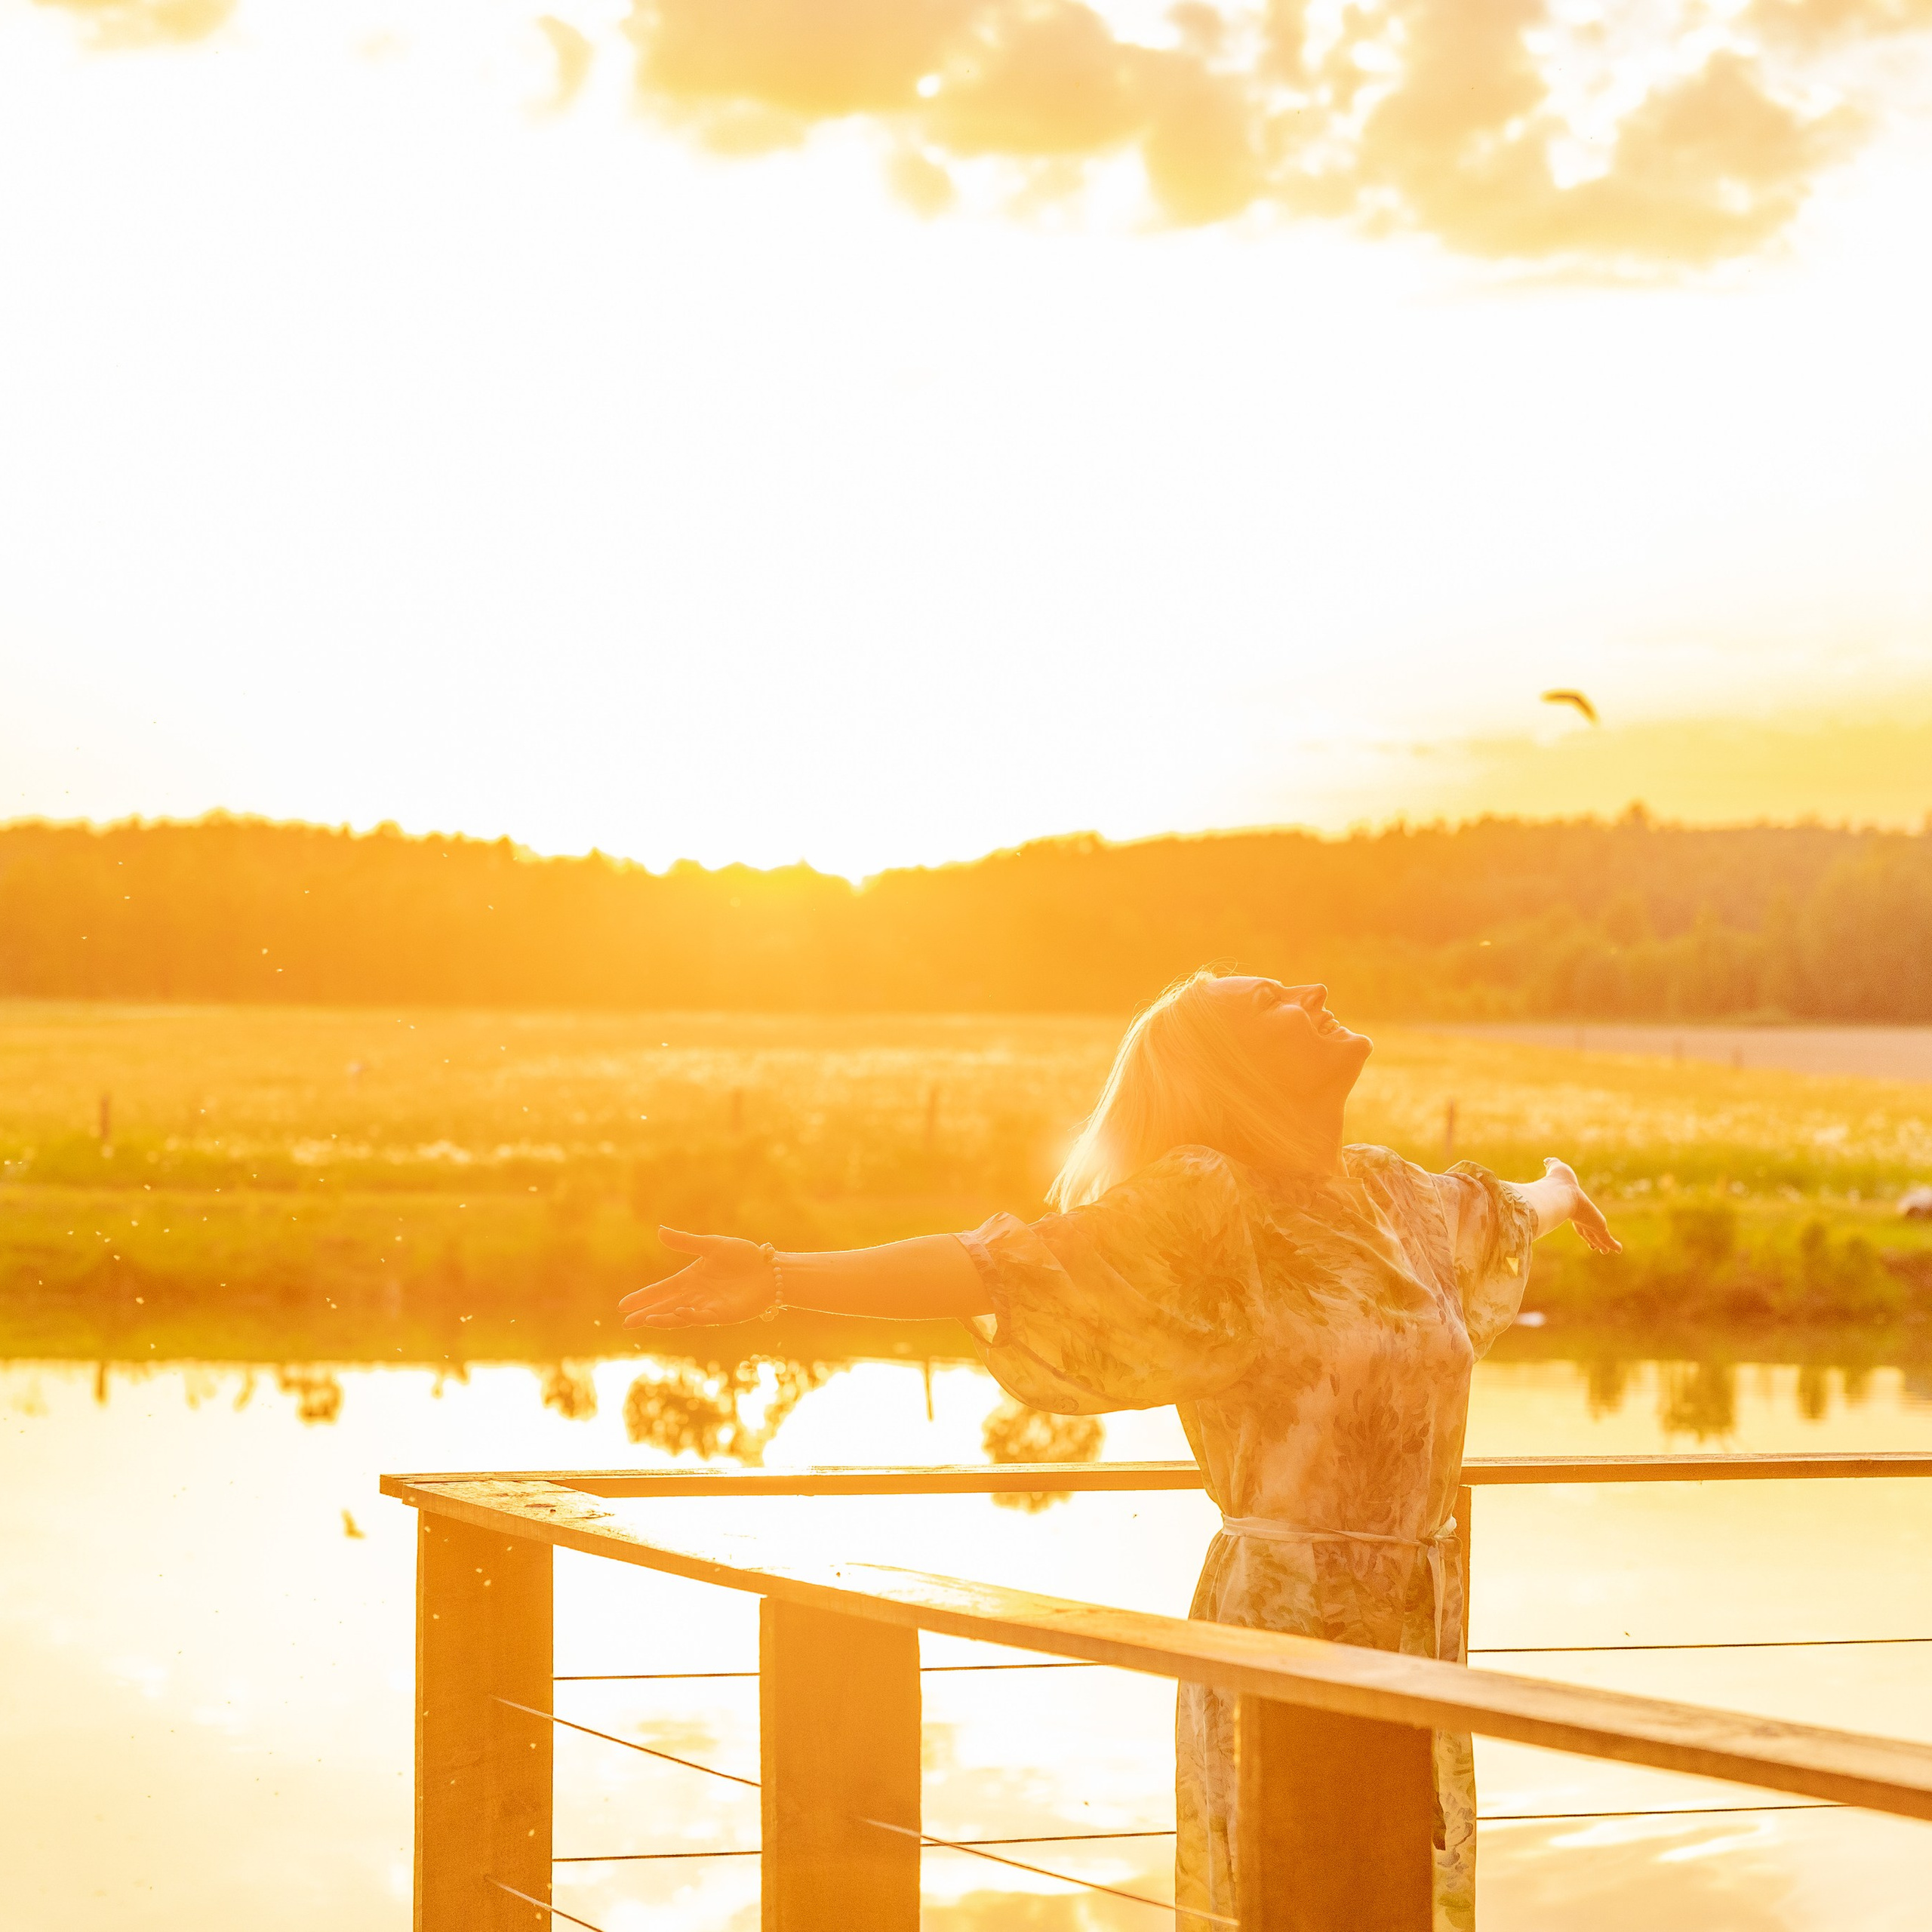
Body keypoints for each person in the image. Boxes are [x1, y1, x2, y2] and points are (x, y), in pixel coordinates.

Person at [618, 971, 1618, 1930]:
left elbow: (1503, 1211)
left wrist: (1563, 1190)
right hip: (1285, 1633)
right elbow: (997, 1267)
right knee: (1300, 1904)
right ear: (1233, 1070)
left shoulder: (1398, 1196)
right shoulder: (1209, 1205)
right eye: (1271, 1000)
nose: (1311, 992)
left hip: (1415, 1634)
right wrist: (788, 1275)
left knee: (1393, 1900)